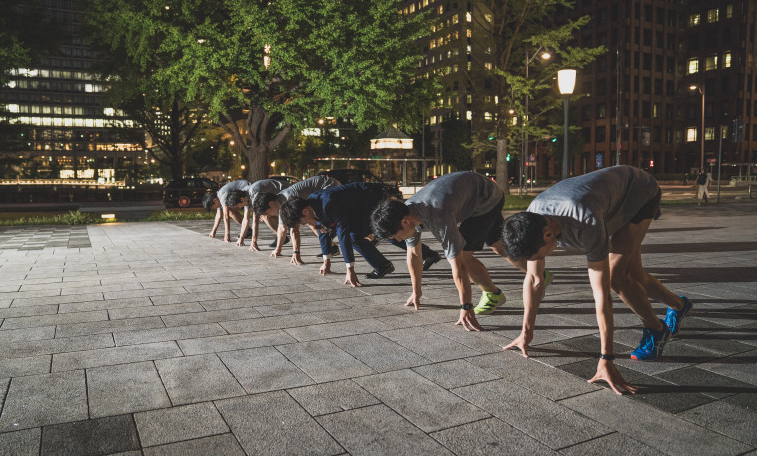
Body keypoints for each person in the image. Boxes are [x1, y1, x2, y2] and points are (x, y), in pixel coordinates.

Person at [501, 165, 693, 395]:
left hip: (639, 192)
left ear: (548, 234)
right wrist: (526, 332)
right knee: (634, 274)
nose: (541, 260)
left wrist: (606, 358)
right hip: (608, 199)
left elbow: (601, 297)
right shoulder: (533, 217)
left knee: (618, 277)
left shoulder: (585, 222)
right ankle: (679, 305)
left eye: (540, 256)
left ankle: (656, 329)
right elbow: (534, 279)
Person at [371, 171, 526, 331]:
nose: (397, 240)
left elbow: (458, 265)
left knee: (465, 257)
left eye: (396, 236)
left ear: (405, 222)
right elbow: (415, 254)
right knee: (499, 246)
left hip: (486, 199)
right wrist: (416, 292)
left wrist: (466, 305)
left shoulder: (439, 215)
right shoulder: (408, 212)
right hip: (474, 194)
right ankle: (539, 274)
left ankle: (494, 294)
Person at [280, 182, 441, 287]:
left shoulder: (328, 203)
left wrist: (349, 268)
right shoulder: (313, 204)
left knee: (377, 232)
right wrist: (326, 260)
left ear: (305, 211)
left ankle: (385, 264)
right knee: (367, 235)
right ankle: (427, 254)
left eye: (303, 222)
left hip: (371, 199)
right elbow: (324, 231)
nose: (305, 224)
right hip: (357, 209)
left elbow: (342, 232)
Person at [251, 175, 341, 264]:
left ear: (271, 204)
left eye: (267, 213)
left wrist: (296, 253)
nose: (269, 216)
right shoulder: (281, 204)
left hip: (328, 185)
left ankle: (334, 231)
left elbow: (294, 230)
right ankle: (332, 247)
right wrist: (278, 250)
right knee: (310, 221)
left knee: (318, 221)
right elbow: (282, 228)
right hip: (319, 191)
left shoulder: (288, 200)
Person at [225, 179, 291, 250]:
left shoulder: (254, 194)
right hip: (276, 197)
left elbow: (255, 220)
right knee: (265, 213)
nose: (239, 207)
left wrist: (254, 242)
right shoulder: (246, 197)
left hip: (286, 191)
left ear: (241, 199)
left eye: (238, 206)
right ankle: (282, 236)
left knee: (264, 214)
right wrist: (241, 238)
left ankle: (282, 236)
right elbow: (245, 219)